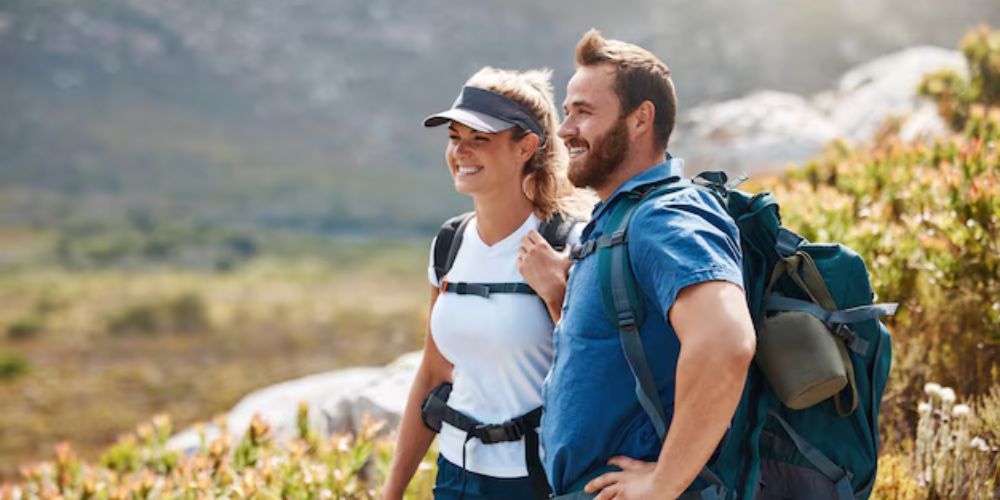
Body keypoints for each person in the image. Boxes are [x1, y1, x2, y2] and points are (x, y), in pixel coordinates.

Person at [541, 30, 757, 499]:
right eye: (566, 111)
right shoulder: (617, 218)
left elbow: (726, 343)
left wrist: (662, 484)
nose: (564, 130)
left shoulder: (665, 216)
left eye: (584, 112)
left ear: (641, 119)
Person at [381, 67, 590, 500]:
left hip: (536, 479)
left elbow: (593, 374)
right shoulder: (449, 243)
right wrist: (392, 491)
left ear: (526, 147)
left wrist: (556, 294)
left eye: (480, 139)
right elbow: (435, 370)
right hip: (455, 475)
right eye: (455, 137)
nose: (461, 151)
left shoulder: (568, 243)